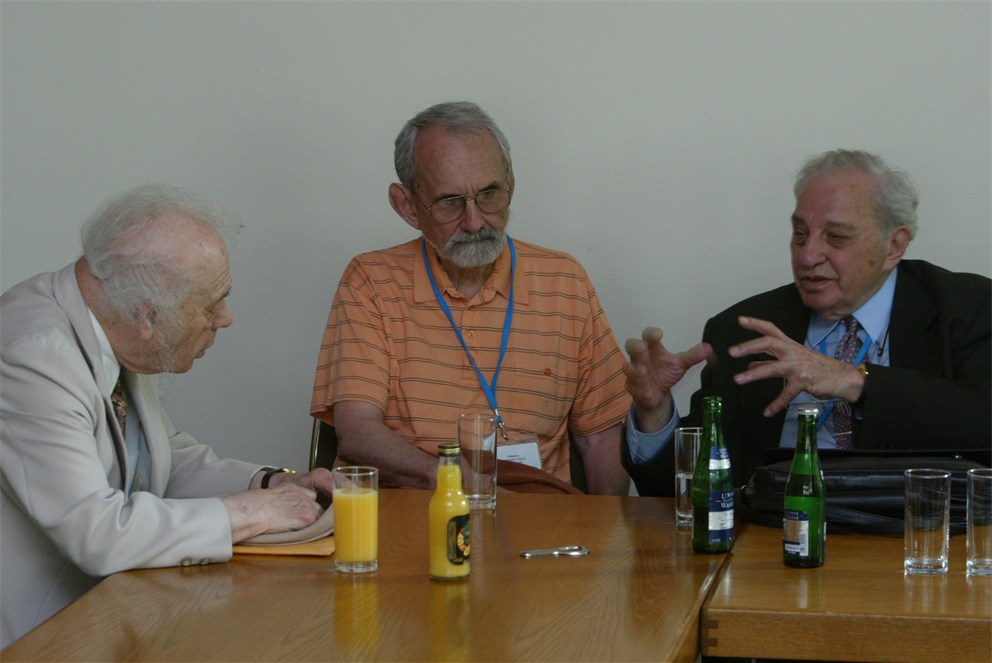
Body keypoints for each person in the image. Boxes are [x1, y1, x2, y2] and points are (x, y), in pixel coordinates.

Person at [1, 185, 334, 647]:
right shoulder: (32, 357)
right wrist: (247, 513)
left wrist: (271, 483)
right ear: (148, 317)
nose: (226, 318)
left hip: (112, 616)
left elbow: (162, 461)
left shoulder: (114, 319)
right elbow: (97, 533)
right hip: (39, 640)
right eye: (211, 304)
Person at [621, 149, 991, 496]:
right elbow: (689, 491)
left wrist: (852, 380)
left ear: (894, 246)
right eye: (800, 234)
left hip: (915, 526)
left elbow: (980, 418)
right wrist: (655, 414)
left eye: (836, 237)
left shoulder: (969, 308)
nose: (808, 255)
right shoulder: (742, 330)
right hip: (774, 529)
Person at [311, 101, 630, 495]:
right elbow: (357, 432)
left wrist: (603, 529)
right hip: (411, 518)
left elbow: (601, 436)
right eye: (450, 202)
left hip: (538, 522)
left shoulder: (565, 280)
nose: (475, 221)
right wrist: (449, 480)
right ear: (407, 206)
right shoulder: (371, 281)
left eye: (489, 194)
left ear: (511, 183)